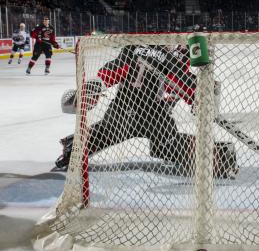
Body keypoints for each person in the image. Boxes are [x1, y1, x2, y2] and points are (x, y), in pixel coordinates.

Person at [55, 44, 238, 178]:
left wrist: (96, 84)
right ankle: (218, 155)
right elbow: (181, 80)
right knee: (166, 145)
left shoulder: (133, 47)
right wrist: (201, 97)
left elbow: (117, 68)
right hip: (153, 114)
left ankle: (73, 147)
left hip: (124, 108)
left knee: (107, 131)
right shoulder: (172, 56)